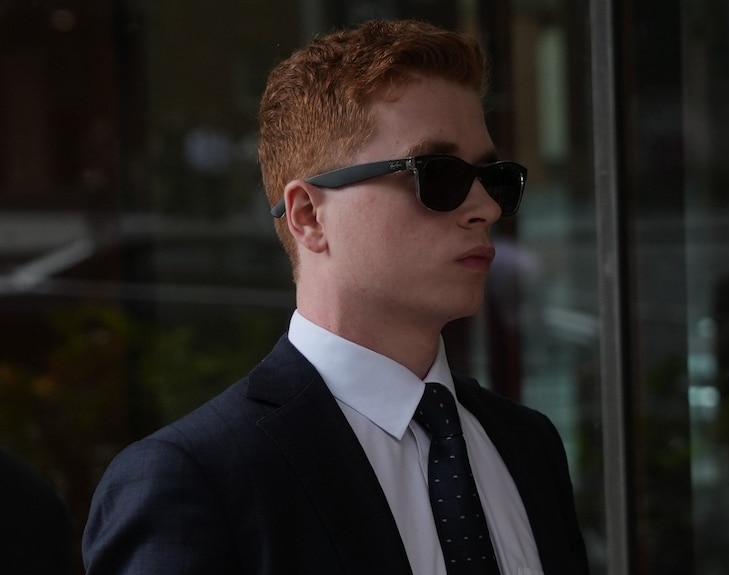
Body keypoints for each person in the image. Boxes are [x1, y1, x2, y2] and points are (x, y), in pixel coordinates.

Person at [83, 19, 590, 574]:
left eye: (493, 178)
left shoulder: (526, 444)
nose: (485, 208)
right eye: (438, 174)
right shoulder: (193, 479)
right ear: (308, 216)